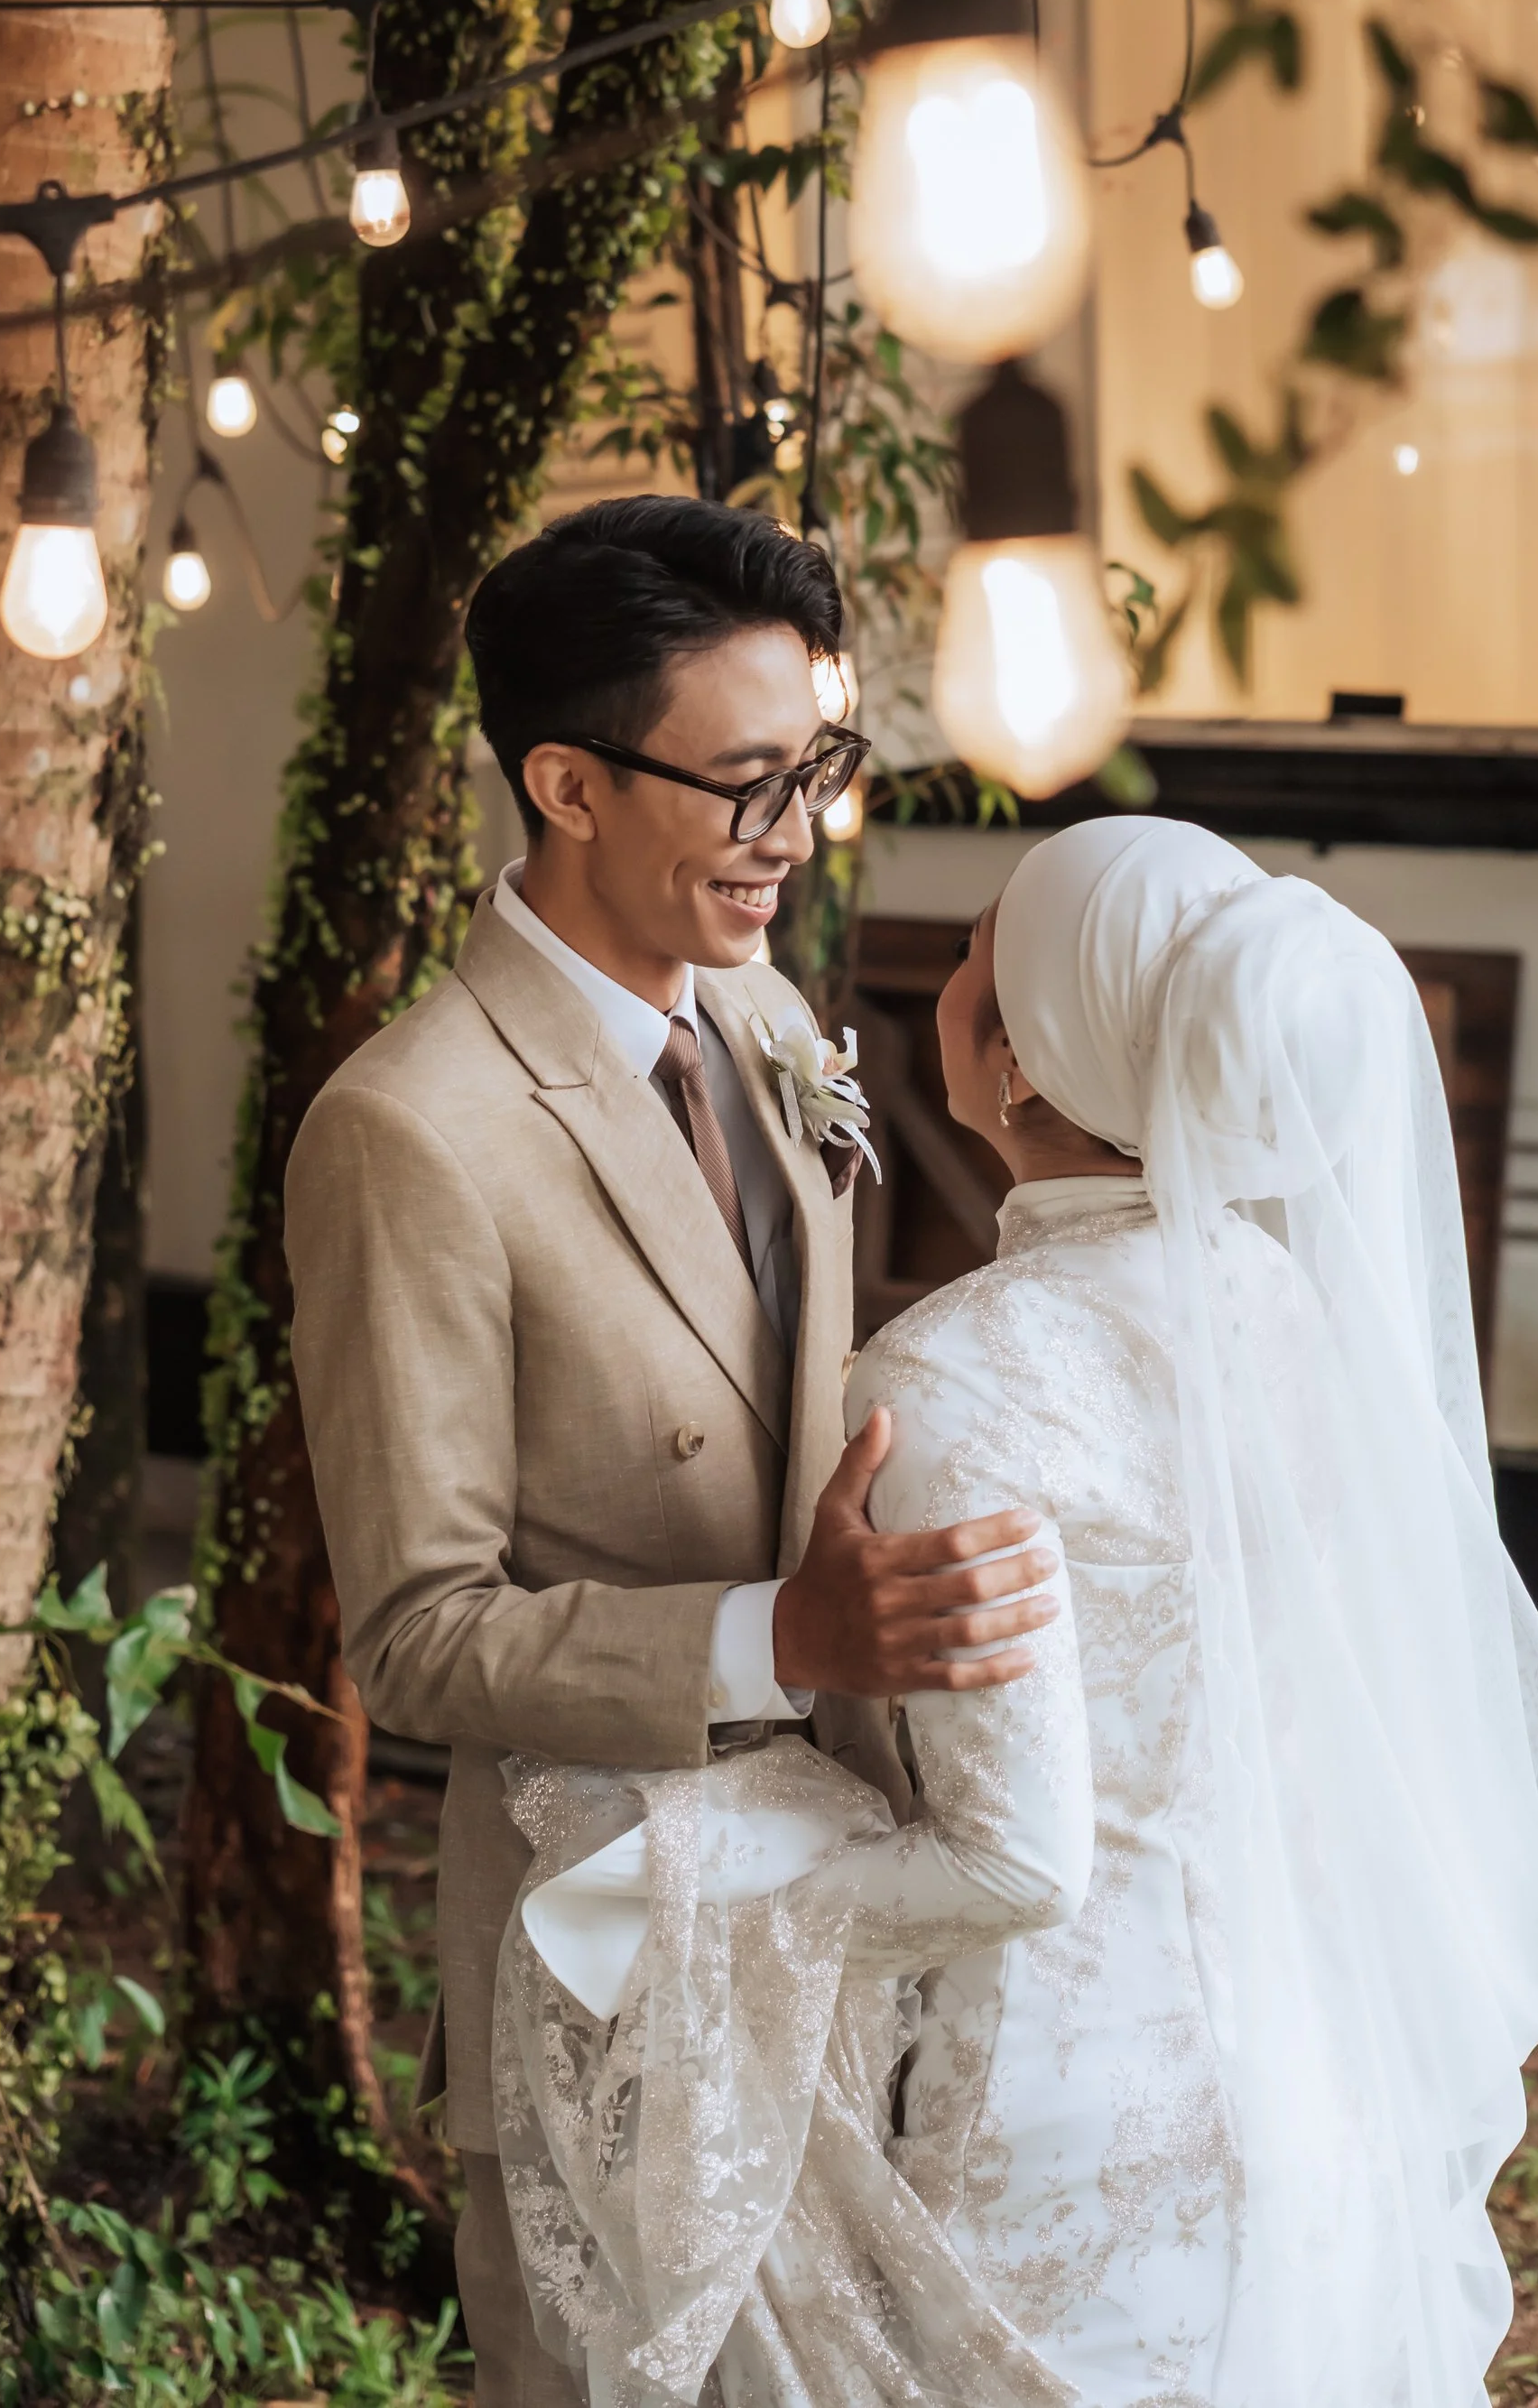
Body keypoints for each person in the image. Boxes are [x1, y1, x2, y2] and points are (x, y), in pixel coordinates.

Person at [493, 814, 1538, 2408]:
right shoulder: (1295, 1311)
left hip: (1056, 2135)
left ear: (1014, 1058)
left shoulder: (957, 1377)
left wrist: (694, 1862)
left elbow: (1017, 1862)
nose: (951, 967)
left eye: (978, 946)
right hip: (1305, 2085)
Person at [285, 496, 1058, 2408]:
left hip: (843, 1901)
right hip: (606, 1963)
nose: (790, 834)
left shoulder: (768, 1011)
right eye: (740, 787)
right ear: (565, 782)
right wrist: (778, 1640)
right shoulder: (411, 1133)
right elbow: (416, 1633)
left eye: (813, 770)